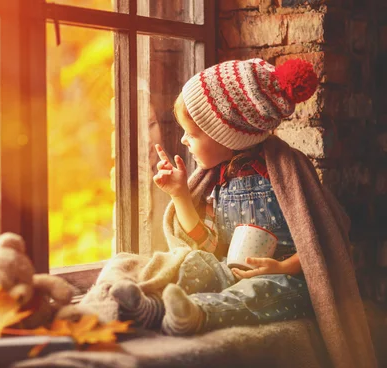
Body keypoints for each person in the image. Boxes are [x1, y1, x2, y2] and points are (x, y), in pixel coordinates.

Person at [57, 58, 376, 368]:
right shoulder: (220, 181)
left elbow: (323, 247)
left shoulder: (289, 176)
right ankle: (149, 305)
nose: (184, 140)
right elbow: (207, 245)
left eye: (192, 134)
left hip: (286, 282)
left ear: (229, 136)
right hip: (229, 270)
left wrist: (279, 266)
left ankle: (192, 315)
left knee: (255, 292)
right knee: (193, 264)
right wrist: (180, 195)